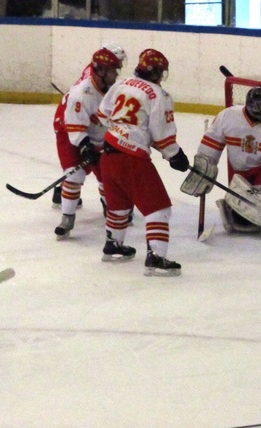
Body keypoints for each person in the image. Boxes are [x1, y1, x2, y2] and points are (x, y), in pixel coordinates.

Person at [97, 48, 189, 276]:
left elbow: (102, 114)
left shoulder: (122, 83)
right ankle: (156, 257)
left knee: (119, 203)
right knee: (159, 208)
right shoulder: (159, 95)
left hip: (108, 150)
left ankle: (113, 245)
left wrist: (122, 131)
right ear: (156, 72)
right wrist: (174, 154)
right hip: (131, 157)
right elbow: (162, 134)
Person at [180, 86, 261, 241]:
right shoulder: (227, 116)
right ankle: (233, 208)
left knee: (260, 202)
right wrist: (203, 171)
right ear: (252, 106)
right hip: (240, 173)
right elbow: (210, 148)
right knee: (241, 215)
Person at [53, 47, 123, 240]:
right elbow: (74, 126)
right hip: (70, 133)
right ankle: (67, 218)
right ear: (100, 71)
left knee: (107, 175)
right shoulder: (81, 93)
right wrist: (84, 146)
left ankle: (110, 209)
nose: (115, 75)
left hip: (97, 134)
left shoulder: (114, 89)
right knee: (74, 175)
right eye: (112, 71)